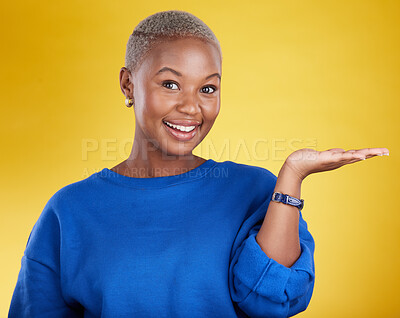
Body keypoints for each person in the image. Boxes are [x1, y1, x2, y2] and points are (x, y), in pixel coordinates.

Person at [8, 10, 389, 318]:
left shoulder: (254, 189)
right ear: (128, 84)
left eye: (208, 88)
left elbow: (271, 302)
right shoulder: (70, 211)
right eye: (170, 84)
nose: (191, 107)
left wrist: (291, 176)